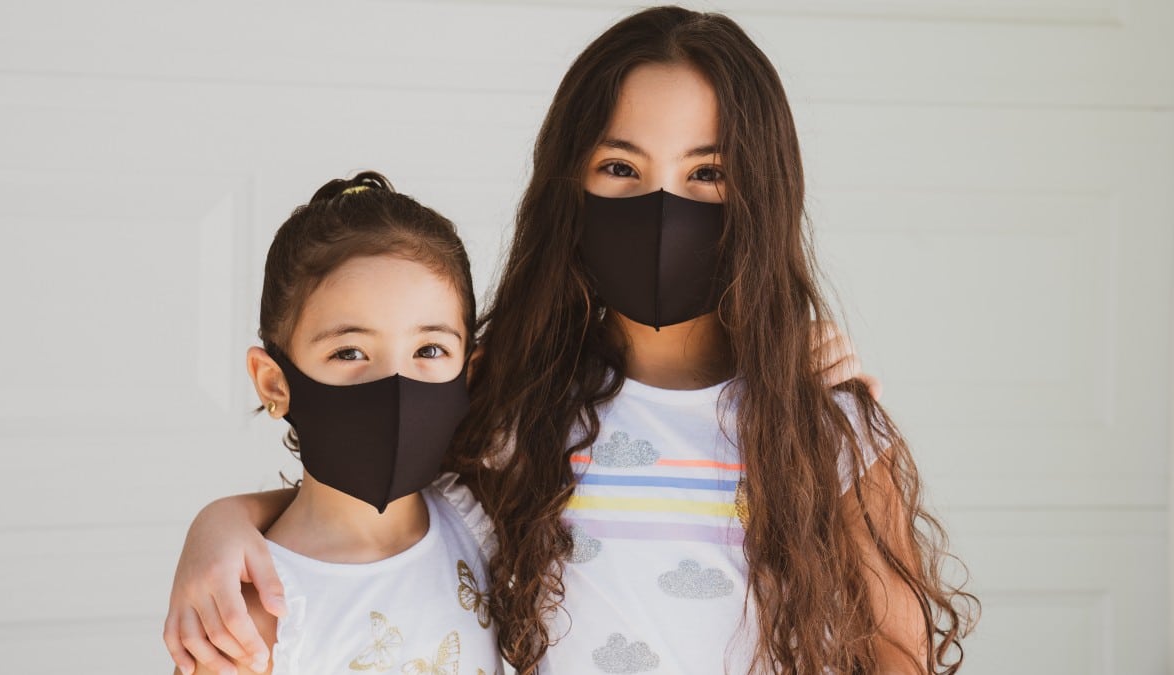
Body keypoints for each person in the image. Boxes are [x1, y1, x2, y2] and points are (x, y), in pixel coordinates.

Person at [167, 7, 975, 675]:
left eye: (707, 173)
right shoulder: (513, 406)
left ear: (760, 195)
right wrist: (222, 522)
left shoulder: (821, 432)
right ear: (570, 184)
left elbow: (899, 658)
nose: (663, 205)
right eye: (621, 166)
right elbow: (364, 494)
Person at [184, 171, 502, 675]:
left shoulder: (478, 521)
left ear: (470, 373)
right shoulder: (252, 618)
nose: (395, 383)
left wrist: (220, 517)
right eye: (350, 351)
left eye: (429, 349)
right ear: (273, 383)